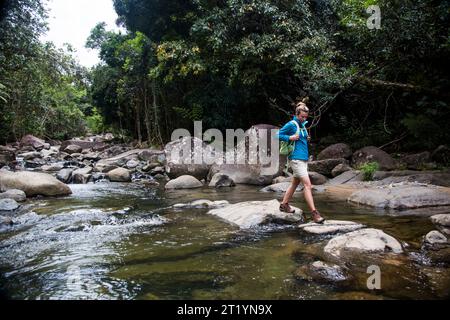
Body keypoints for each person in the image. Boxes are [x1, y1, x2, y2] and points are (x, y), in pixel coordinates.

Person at [277, 102, 325, 224]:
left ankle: (284, 205)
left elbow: (301, 140)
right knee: (308, 185)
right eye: (302, 116)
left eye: (305, 117)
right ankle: (315, 213)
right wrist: (290, 138)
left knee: (294, 183)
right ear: (297, 114)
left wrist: (305, 138)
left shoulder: (302, 126)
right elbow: (278, 134)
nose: (304, 118)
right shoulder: (292, 124)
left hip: (303, 159)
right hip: (296, 159)